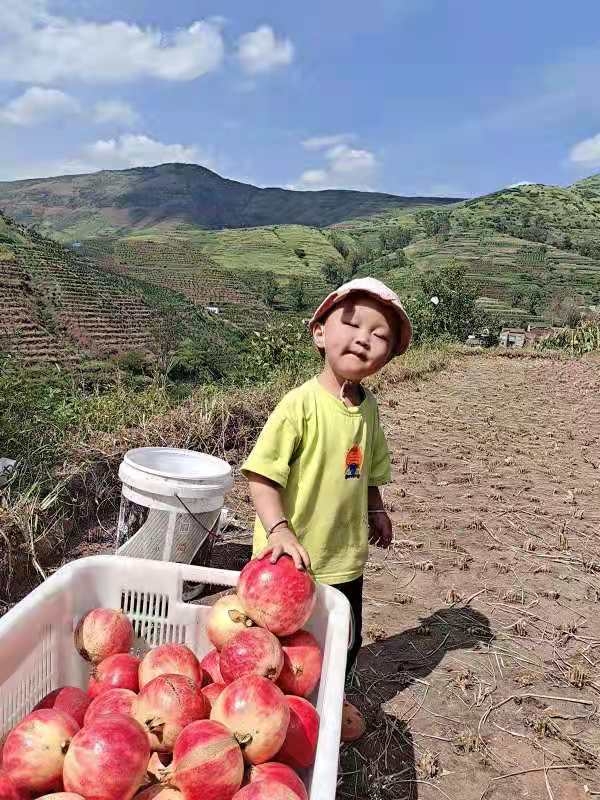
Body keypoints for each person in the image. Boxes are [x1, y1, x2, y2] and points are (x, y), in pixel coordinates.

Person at [241, 276, 412, 739]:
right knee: (273, 647)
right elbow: (262, 476)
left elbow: (369, 468)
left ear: (389, 355)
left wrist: (376, 509)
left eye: (380, 336)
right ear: (319, 333)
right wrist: (279, 530)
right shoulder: (298, 406)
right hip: (286, 564)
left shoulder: (368, 408)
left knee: (344, 640)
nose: (364, 339)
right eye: (353, 324)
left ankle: (324, 699)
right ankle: (262, 713)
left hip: (345, 557)